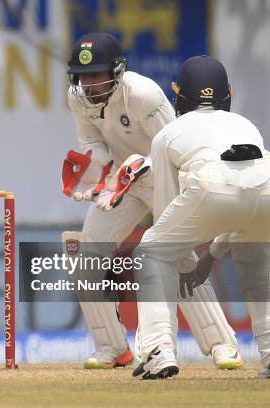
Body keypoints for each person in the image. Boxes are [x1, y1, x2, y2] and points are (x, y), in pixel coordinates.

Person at [63, 33, 242, 370]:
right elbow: (92, 140)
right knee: (85, 251)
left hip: (163, 177)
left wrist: (134, 168)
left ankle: (222, 344)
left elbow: (173, 147)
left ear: (117, 71)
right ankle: (112, 347)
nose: (89, 84)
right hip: (123, 181)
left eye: (97, 74)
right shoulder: (78, 98)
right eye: (83, 76)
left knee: (174, 254)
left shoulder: (143, 94)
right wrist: (95, 167)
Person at [132, 55, 270, 380]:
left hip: (211, 182)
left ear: (178, 95)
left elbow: (166, 218)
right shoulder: (246, 124)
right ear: (227, 94)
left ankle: (157, 350)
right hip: (267, 184)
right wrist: (212, 255)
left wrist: (187, 253)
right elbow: (246, 202)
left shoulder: (167, 134)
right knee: (257, 267)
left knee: (151, 251)